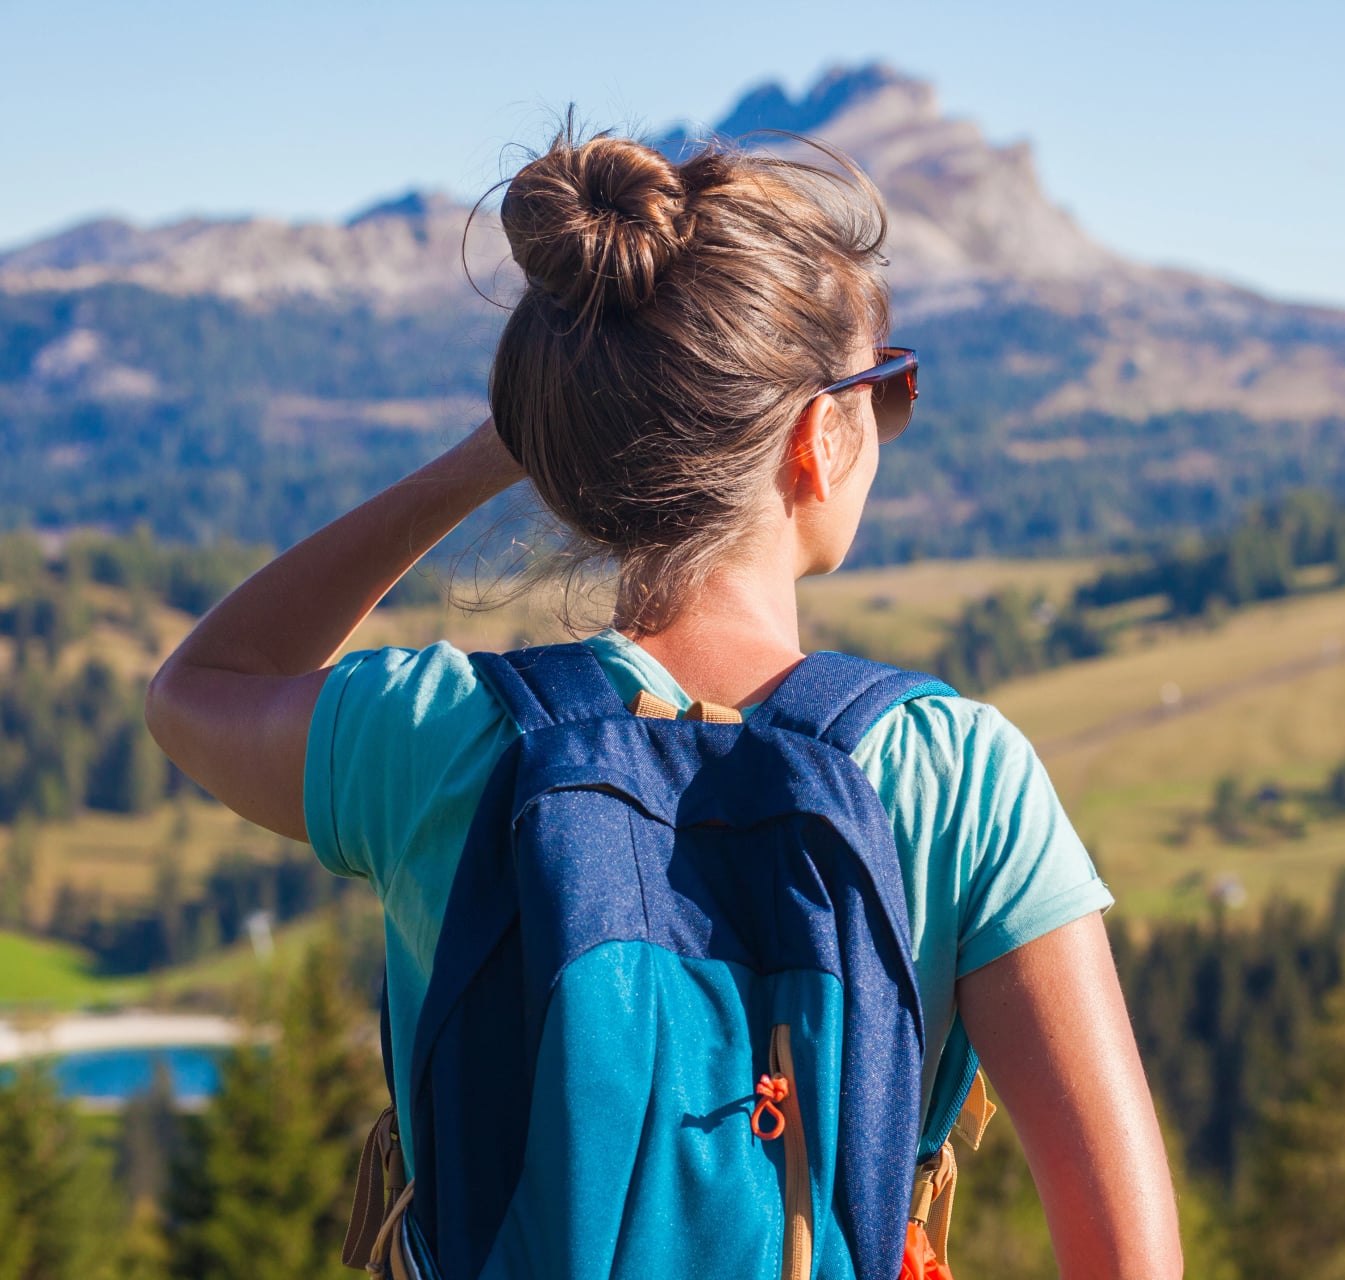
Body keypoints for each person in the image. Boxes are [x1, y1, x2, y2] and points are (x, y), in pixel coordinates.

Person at [145, 121, 1182, 1278]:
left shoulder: (440, 737)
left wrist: (496, 453)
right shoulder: (958, 774)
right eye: (885, 393)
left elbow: (197, 689)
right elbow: (1128, 1257)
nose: (889, 426)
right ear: (815, 440)